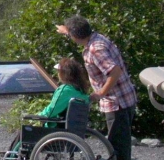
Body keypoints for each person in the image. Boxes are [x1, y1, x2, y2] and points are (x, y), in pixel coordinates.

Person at [56, 15, 137, 160]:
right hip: (125, 97)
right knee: (118, 143)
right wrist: (66, 31)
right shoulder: (97, 38)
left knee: (118, 147)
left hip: (117, 102)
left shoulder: (95, 50)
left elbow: (115, 71)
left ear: (76, 35)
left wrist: (101, 93)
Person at [6, 57, 90, 157]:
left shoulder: (65, 90)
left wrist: (38, 116)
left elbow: (51, 111)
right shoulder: (81, 92)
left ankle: (9, 158)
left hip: (56, 132)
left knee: (23, 134)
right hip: (73, 132)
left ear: (63, 73)